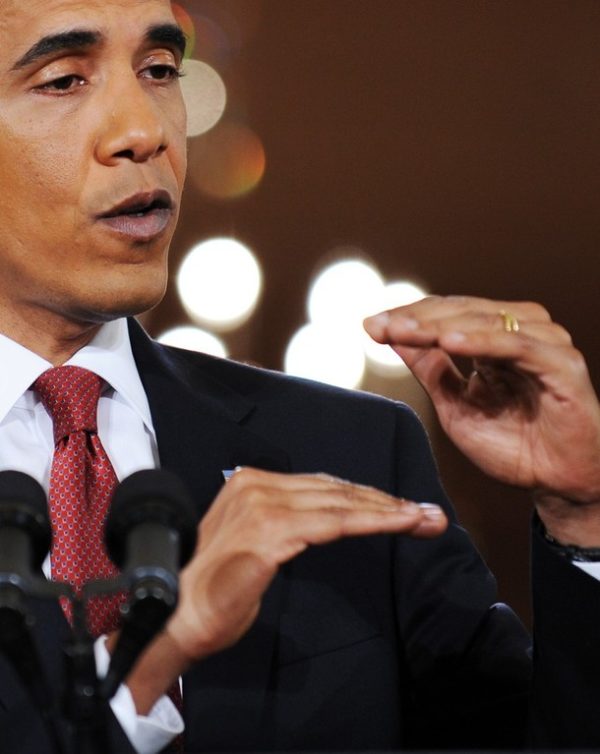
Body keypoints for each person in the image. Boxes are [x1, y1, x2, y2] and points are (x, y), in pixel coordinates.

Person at [0, 1, 599, 752]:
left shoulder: (353, 452)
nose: (143, 132)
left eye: (158, 71)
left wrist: (585, 520)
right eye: (62, 80)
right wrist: (152, 663)